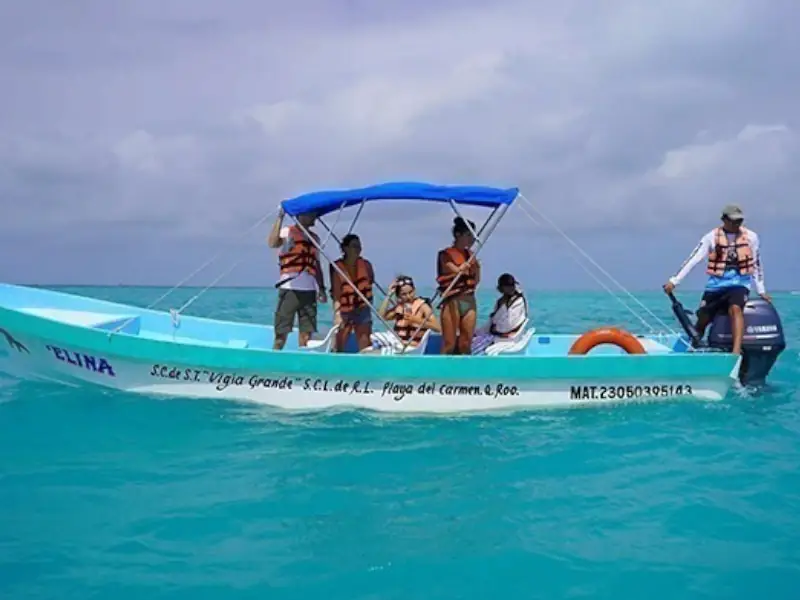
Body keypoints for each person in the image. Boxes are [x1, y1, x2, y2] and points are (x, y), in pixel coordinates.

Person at [663, 203, 770, 355]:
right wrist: (674, 281)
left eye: (739, 221)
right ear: (724, 220)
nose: (737, 224)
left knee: (735, 308)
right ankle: (691, 351)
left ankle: (736, 351)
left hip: (739, 283)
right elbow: (694, 259)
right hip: (716, 285)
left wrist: (761, 290)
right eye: (733, 221)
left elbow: (756, 263)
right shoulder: (711, 237)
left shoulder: (751, 237)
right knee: (703, 318)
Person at [267, 206, 327, 350]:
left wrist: (321, 288)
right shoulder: (287, 232)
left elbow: (316, 265)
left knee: (307, 332)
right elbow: (272, 243)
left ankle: (303, 357)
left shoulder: (315, 239)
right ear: (300, 216)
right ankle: (275, 355)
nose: (313, 218)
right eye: (310, 214)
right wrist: (280, 217)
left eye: (314, 215)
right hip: (290, 288)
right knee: (281, 332)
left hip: (309, 290)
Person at [436, 216, 480, 354]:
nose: (472, 239)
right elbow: (454, 270)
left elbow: (476, 280)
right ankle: (444, 365)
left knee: (466, 342)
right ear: (458, 235)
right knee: (449, 343)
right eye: (468, 235)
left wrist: (476, 268)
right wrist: (461, 268)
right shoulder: (445, 255)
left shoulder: (471, 256)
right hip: (452, 301)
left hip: (469, 299)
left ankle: (465, 365)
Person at [364, 275, 441, 354]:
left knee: (377, 350)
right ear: (399, 296)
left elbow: (438, 328)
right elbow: (381, 316)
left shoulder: (423, 307)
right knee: (372, 342)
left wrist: (416, 320)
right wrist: (389, 295)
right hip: (397, 342)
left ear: (414, 290)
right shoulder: (399, 308)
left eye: (411, 292)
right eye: (404, 294)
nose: (408, 296)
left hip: (412, 347)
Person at [330, 233, 375, 352]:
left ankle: (365, 360)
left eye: (359, 247)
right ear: (345, 248)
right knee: (340, 341)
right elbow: (336, 293)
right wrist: (337, 314)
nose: (358, 249)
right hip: (345, 309)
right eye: (354, 246)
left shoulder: (366, 265)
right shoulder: (337, 267)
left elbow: (370, 282)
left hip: (362, 307)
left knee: (365, 342)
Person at [471, 273, 529, 355]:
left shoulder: (518, 302)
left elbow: (510, 324)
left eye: (511, 286)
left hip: (507, 336)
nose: (510, 288)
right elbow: (492, 321)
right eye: (508, 286)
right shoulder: (501, 301)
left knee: (473, 345)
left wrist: (496, 330)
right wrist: (477, 332)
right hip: (496, 333)